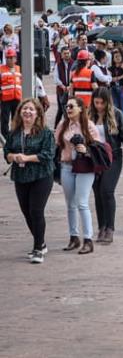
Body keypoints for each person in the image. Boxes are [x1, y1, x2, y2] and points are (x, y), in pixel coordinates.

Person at [4, 99, 55, 264]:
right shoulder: (14, 133)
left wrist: (27, 157)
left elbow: (48, 154)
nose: (27, 112)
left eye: (31, 109)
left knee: (36, 211)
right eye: (24, 109)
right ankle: (41, 241)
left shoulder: (45, 133)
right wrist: (13, 156)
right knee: (26, 212)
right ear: (19, 112)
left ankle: (38, 249)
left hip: (41, 175)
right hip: (21, 176)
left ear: (38, 113)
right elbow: (7, 152)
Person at [55, 96, 100, 255]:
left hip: (85, 167)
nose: (68, 109)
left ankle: (88, 240)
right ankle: (74, 237)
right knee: (70, 204)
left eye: (72, 106)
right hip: (67, 166)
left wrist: (85, 150)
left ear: (81, 108)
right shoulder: (62, 124)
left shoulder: (89, 126)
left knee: (82, 203)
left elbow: (98, 148)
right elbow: (56, 143)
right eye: (67, 107)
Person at [89, 87, 123, 245]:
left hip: (113, 157)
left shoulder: (117, 114)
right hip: (94, 159)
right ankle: (101, 226)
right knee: (97, 193)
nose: (99, 106)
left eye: (102, 103)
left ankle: (110, 228)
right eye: (96, 103)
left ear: (108, 102)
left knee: (107, 191)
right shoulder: (90, 115)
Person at [0, 47, 22, 138]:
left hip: (17, 98)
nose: (9, 59)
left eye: (11, 57)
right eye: (8, 57)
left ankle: (14, 136)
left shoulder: (19, 69)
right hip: (5, 99)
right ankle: (5, 138)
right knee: (4, 120)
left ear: (15, 58)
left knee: (16, 119)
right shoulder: (1, 69)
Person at [54, 46, 74, 127]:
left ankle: (67, 126)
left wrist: (70, 86)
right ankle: (56, 127)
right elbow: (56, 78)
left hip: (71, 90)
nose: (66, 55)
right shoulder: (58, 64)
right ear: (61, 55)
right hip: (61, 90)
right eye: (65, 53)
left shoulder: (74, 63)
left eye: (68, 53)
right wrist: (63, 87)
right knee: (61, 109)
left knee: (69, 109)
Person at [109, 48, 123, 122]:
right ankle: (117, 124)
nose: (117, 58)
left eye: (119, 56)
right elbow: (110, 79)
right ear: (113, 59)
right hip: (113, 88)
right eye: (116, 57)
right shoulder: (110, 68)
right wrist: (121, 76)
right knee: (115, 108)